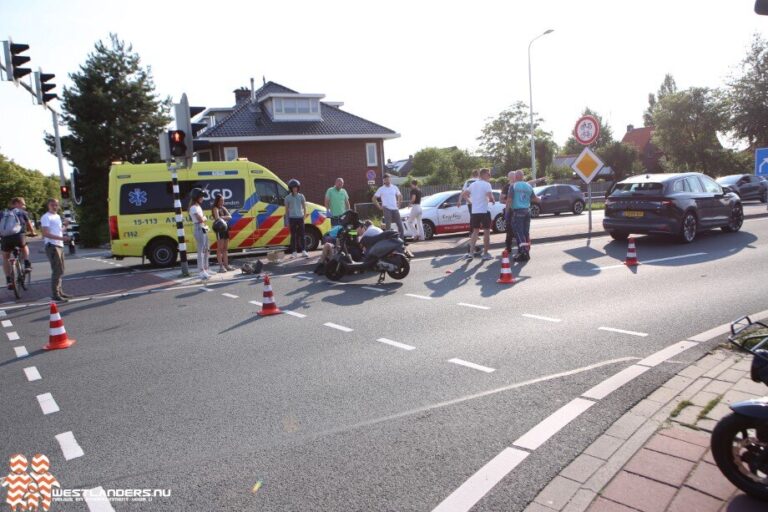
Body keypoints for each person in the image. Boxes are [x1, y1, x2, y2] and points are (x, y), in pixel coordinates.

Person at [1, 197, 37, 290]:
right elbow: (29, 224)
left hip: (5, 238)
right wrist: (33, 232)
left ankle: (9, 280)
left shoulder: (2, 213)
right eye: (23, 204)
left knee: (5, 257)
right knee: (24, 247)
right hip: (18, 237)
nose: (24, 206)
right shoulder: (21, 212)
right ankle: (26, 264)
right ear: (16, 203)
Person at [40, 198, 72, 302]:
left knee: (61, 270)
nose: (54, 207)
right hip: (52, 246)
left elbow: (59, 231)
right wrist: (63, 238)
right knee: (57, 270)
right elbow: (45, 233)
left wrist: (65, 226)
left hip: (59, 245)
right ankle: (56, 294)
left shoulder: (57, 216)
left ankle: (60, 292)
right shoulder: (46, 217)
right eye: (52, 205)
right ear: (48, 206)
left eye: (56, 205)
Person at [506, 169, 540, 262]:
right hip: (527, 212)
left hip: (517, 212)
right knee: (526, 232)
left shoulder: (513, 186)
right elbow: (535, 199)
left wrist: (506, 212)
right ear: (523, 177)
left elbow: (509, 200)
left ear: (515, 177)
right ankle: (527, 251)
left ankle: (523, 253)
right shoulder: (528, 186)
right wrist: (541, 199)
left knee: (518, 232)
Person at [462, 168, 495, 261]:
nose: (490, 176)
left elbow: (464, 194)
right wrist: (492, 200)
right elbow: (490, 195)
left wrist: (471, 202)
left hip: (475, 211)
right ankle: (485, 253)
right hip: (484, 211)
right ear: (483, 175)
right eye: (488, 174)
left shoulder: (473, 184)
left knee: (475, 232)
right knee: (486, 232)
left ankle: (471, 253)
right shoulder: (487, 184)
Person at [188, 188, 211, 280]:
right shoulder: (193, 207)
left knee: (206, 249)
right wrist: (204, 218)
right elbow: (201, 219)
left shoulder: (198, 206)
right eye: (201, 196)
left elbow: (202, 218)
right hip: (198, 227)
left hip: (203, 227)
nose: (202, 198)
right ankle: (201, 271)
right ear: (196, 197)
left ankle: (206, 269)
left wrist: (203, 218)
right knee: (201, 250)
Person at [373, 174, 404, 239]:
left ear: (390, 179)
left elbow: (400, 196)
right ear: (383, 180)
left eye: (388, 179)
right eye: (386, 179)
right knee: (388, 226)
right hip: (386, 208)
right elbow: (374, 198)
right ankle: (388, 241)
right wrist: (379, 207)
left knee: (400, 225)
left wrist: (398, 204)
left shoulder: (394, 187)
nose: (387, 181)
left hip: (395, 209)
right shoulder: (381, 189)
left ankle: (401, 241)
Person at [284, 179, 308, 258]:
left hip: (300, 218)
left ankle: (304, 251)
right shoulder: (287, 198)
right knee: (293, 236)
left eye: (296, 187)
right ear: (290, 188)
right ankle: (294, 252)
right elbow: (286, 211)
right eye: (293, 187)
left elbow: (304, 207)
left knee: (302, 235)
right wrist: (287, 221)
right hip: (292, 218)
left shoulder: (301, 196)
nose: (295, 189)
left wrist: (304, 216)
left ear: (298, 188)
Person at [211, 194, 234, 273]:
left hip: (226, 228)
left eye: (223, 200)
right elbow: (217, 218)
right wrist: (225, 217)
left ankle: (226, 265)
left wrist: (222, 217)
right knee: (220, 248)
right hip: (219, 229)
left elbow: (230, 216)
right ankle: (221, 266)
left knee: (225, 248)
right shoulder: (215, 208)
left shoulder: (223, 208)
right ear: (217, 201)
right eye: (221, 200)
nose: (222, 202)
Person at [499, 172, 517, 254]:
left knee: (520, 229)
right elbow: (501, 200)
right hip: (509, 210)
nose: (514, 178)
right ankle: (508, 247)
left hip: (518, 210)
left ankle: (522, 247)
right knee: (509, 229)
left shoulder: (519, 185)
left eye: (515, 176)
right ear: (509, 178)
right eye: (512, 177)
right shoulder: (506, 187)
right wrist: (509, 202)